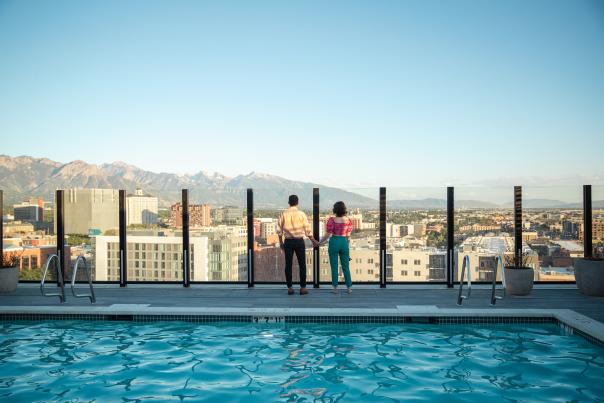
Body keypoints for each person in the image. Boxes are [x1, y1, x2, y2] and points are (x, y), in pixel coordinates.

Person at [277, 195, 319, 295]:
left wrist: (281, 242)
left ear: (288, 202)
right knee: (302, 265)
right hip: (299, 241)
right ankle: (303, 288)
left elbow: (279, 230)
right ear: (297, 202)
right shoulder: (301, 214)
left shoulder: (283, 213)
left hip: (288, 241)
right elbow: (307, 229)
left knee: (288, 265)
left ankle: (290, 288)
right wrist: (313, 240)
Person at [319, 201, 353, 294]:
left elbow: (328, 234)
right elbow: (348, 236)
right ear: (344, 210)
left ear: (335, 210)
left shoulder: (331, 220)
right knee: (346, 266)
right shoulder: (348, 220)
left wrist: (320, 242)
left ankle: (335, 288)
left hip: (334, 242)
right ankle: (349, 288)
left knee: (334, 267)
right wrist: (347, 246)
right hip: (344, 242)